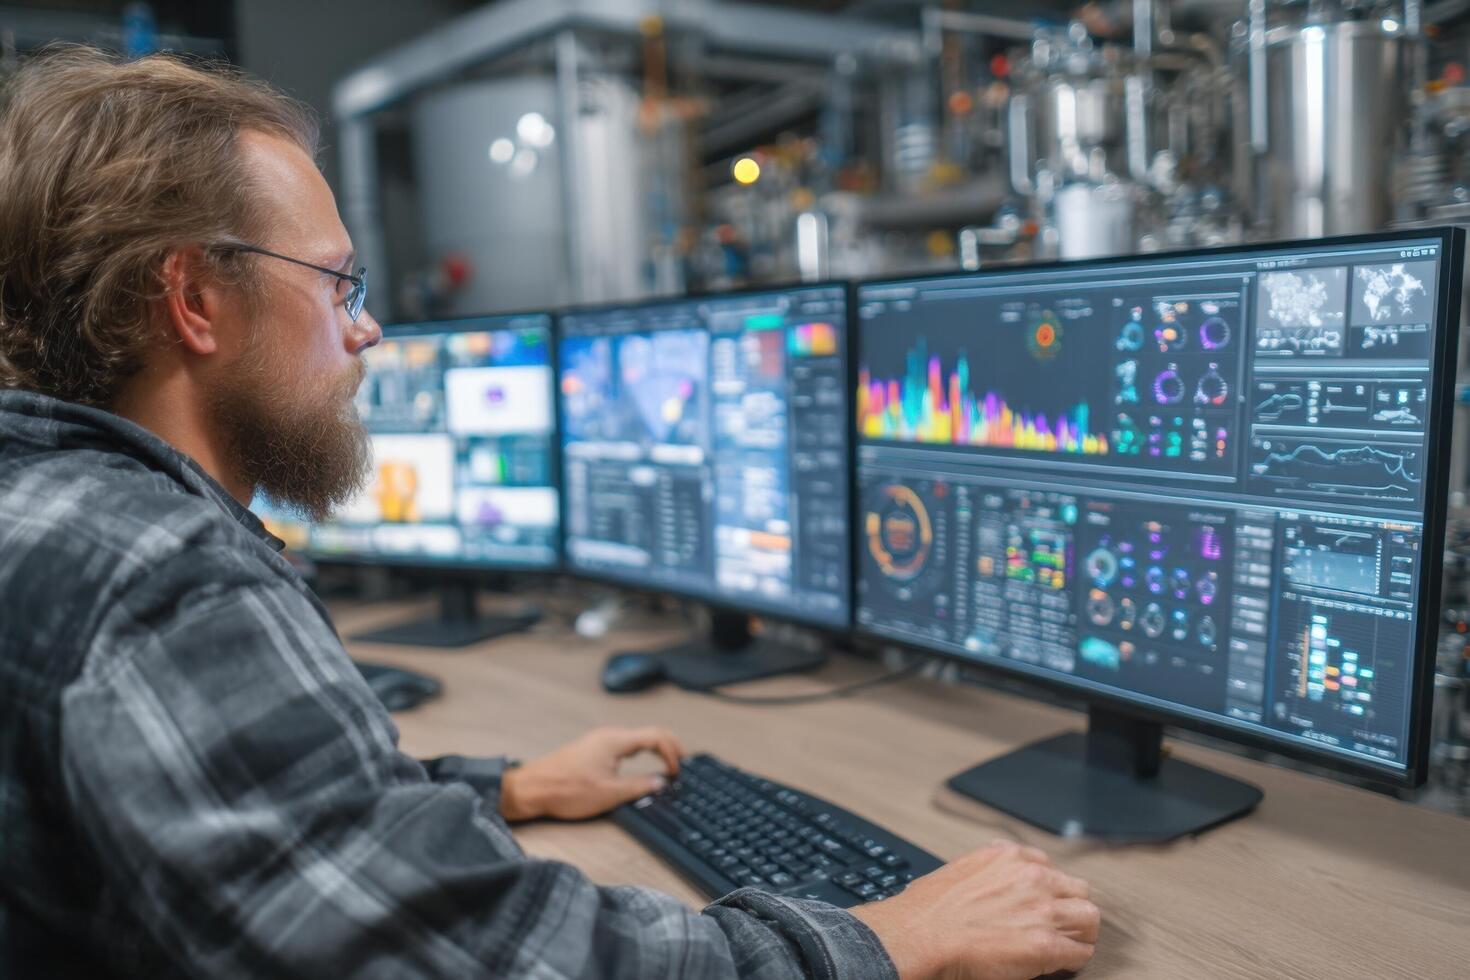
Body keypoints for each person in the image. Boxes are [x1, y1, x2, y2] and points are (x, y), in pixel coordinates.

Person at [0, 46, 1099, 979]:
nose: (368, 329)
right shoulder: (160, 575)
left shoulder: (55, 508)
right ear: (194, 300)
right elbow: (474, 953)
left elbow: (251, 806)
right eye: (339, 283)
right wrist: (884, 937)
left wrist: (507, 786)